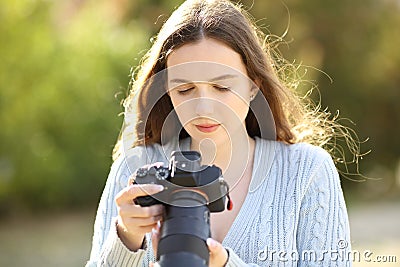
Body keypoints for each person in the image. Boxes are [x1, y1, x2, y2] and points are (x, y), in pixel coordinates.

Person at [86, 0, 354, 266]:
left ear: (253, 86)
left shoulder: (306, 171)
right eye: (185, 90)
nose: (203, 107)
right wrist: (126, 237)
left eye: (222, 88)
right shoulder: (134, 170)